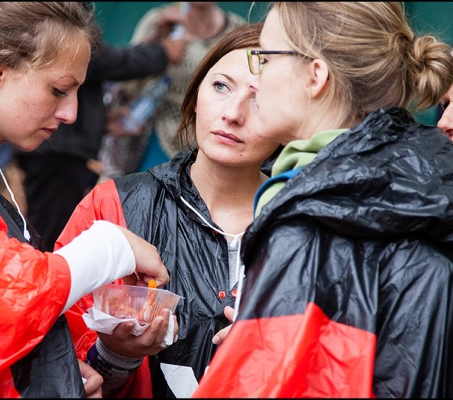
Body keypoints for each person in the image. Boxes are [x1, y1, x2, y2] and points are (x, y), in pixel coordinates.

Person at [193, 2, 453, 398]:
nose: (256, 80)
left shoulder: (313, 216)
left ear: (315, 76)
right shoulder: (421, 179)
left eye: (265, 57)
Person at [55, 23, 281, 398]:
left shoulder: (307, 221)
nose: (233, 113)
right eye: (221, 86)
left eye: (261, 99)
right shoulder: (114, 205)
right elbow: (54, 367)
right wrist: (116, 356)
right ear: (194, 95)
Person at [0, 2, 170, 397]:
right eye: (58, 89)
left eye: (77, 92)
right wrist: (110, 245)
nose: (71, 112)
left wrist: (58, 375)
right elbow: (7, 293)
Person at [14, 3, 188, 251]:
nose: (70, 113)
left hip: (65, 150)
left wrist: (100, 121)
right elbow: (100, 60)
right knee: (51, 239)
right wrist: (160, 53)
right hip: (58, 152)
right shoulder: (60, 19)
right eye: (59, 91)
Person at [101, 1, 246, 178]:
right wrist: (156, 45)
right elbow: (128, 88)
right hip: (159, 137)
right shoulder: (160, 21)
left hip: (212, 142)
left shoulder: (238, 30)